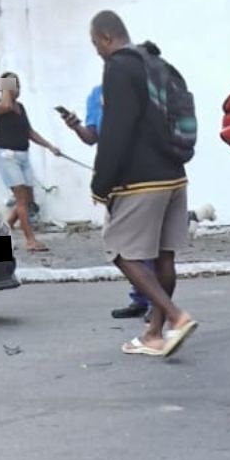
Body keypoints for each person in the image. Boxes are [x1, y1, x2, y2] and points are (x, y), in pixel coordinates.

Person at [89, 10, 198, 358]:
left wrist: (100, 183)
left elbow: (115, 130)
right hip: (175, 176)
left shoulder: (119, 67)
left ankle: (177, 317)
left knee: (120, 250)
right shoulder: (155, 62)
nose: (97, 52)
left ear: (106, 37)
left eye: (95, 44)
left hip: (140, 182)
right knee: (164, 256)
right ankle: (154, 333)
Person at [62, 83, 159, 322]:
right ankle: (140, 297)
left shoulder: (138, 89)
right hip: (112, 177)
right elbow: (91, 137)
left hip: (140, 175)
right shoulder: (95, 94)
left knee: (144, 242)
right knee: (121, 243)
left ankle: (156, 303)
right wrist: (76, 127)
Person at [0, 72, 62, 253]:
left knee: (28, 199)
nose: (18, 89)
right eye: (14, 86)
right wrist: (6, 85)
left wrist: (49, 146)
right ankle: (30, 241)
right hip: (8, 156)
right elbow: (5, 104)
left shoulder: (21, 107)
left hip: (23, 156)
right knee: (21, 200)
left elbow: (29, 131)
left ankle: (5, 227)